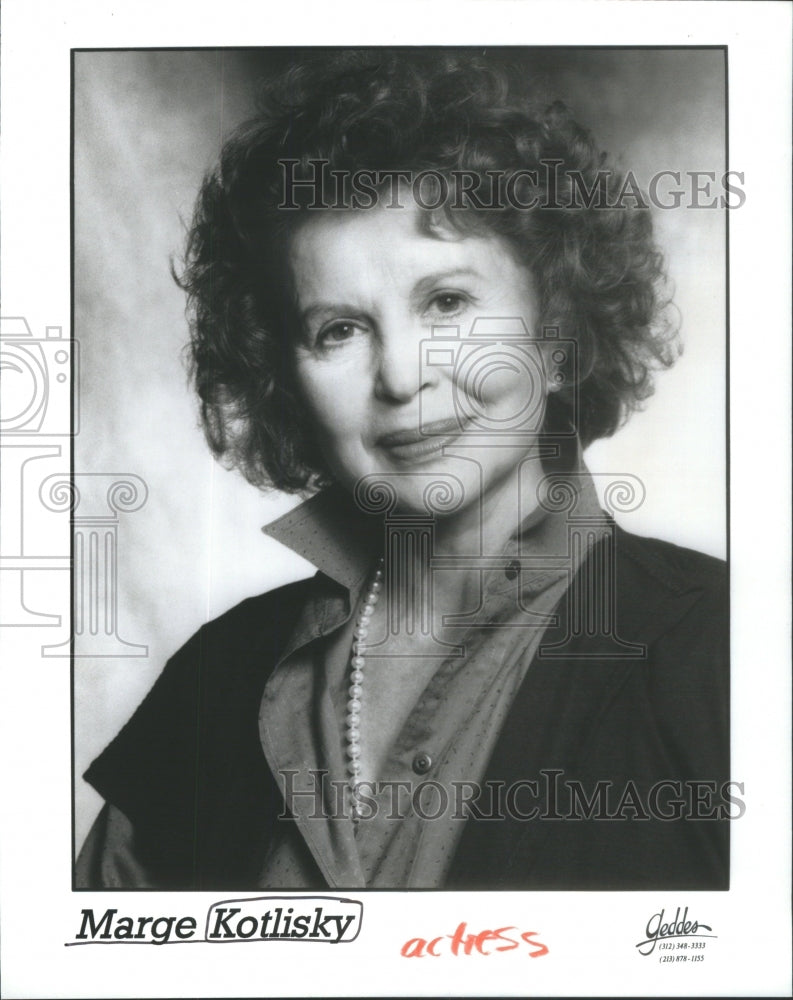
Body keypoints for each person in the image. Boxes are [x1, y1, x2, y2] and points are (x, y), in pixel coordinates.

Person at [76, 51, 729, 890]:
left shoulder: (727, 654)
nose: (399, 376)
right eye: (339, 329)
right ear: (286, 379)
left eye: (447, 303)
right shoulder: (217, 677)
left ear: (556, 336)